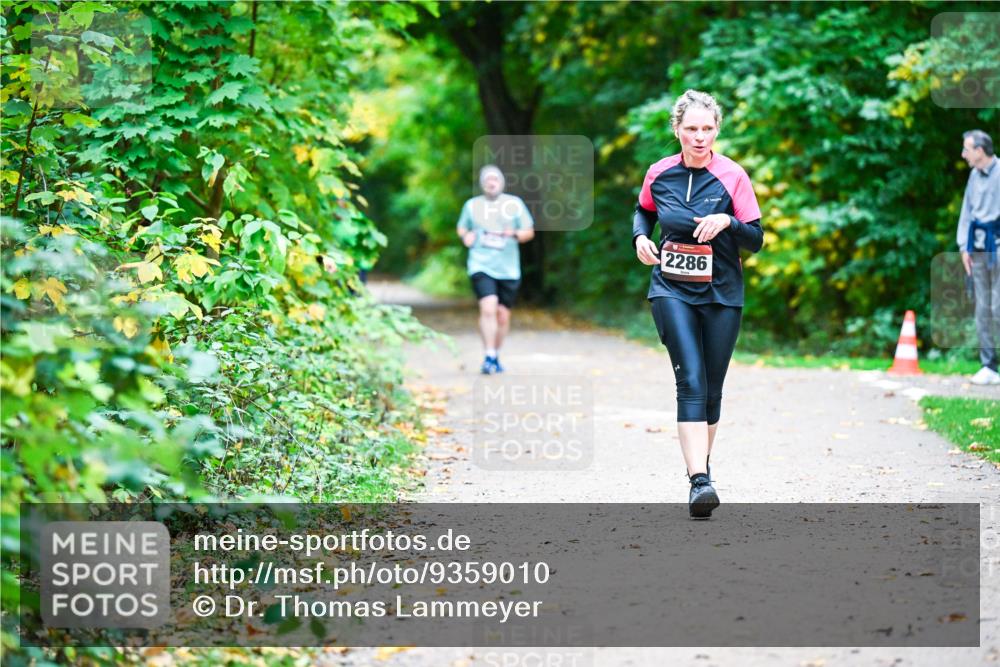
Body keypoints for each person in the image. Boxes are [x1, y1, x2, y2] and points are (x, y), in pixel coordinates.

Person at [631, 89, 763, 519]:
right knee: (689, 378)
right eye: (691, 129)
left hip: (723, 291)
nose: (700, 137)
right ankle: (699, 480)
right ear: (677, 130)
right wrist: (640, 238)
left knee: (711, 388)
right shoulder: (660, 172)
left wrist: (728, 220)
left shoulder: (733, 176)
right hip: (671, 287)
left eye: (708, 129)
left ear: (717, 130)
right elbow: (643, 211)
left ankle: (701, 467)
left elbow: (756, 239)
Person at [457, 165, 535, 374]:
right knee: (488, 307)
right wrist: (466, 236)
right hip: (481, 264)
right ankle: (488, 355)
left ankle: (495, 354)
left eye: (495, 179)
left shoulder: (514, 204)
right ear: (482, 184)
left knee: (502, 315)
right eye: (488, 179)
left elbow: (529, 231)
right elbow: (462, 227)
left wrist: (515, 234)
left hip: (508, 269)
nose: (491, 182)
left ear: (501, 183)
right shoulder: (472, 206)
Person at [957, 129, 1000, 386]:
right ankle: (989, 366)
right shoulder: (973, 176)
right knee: (982, 308)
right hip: (979, 249)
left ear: (980, 151)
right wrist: (964, 247)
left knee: (998, 307)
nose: (963, 154)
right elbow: (966, 213)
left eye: (967, 149)